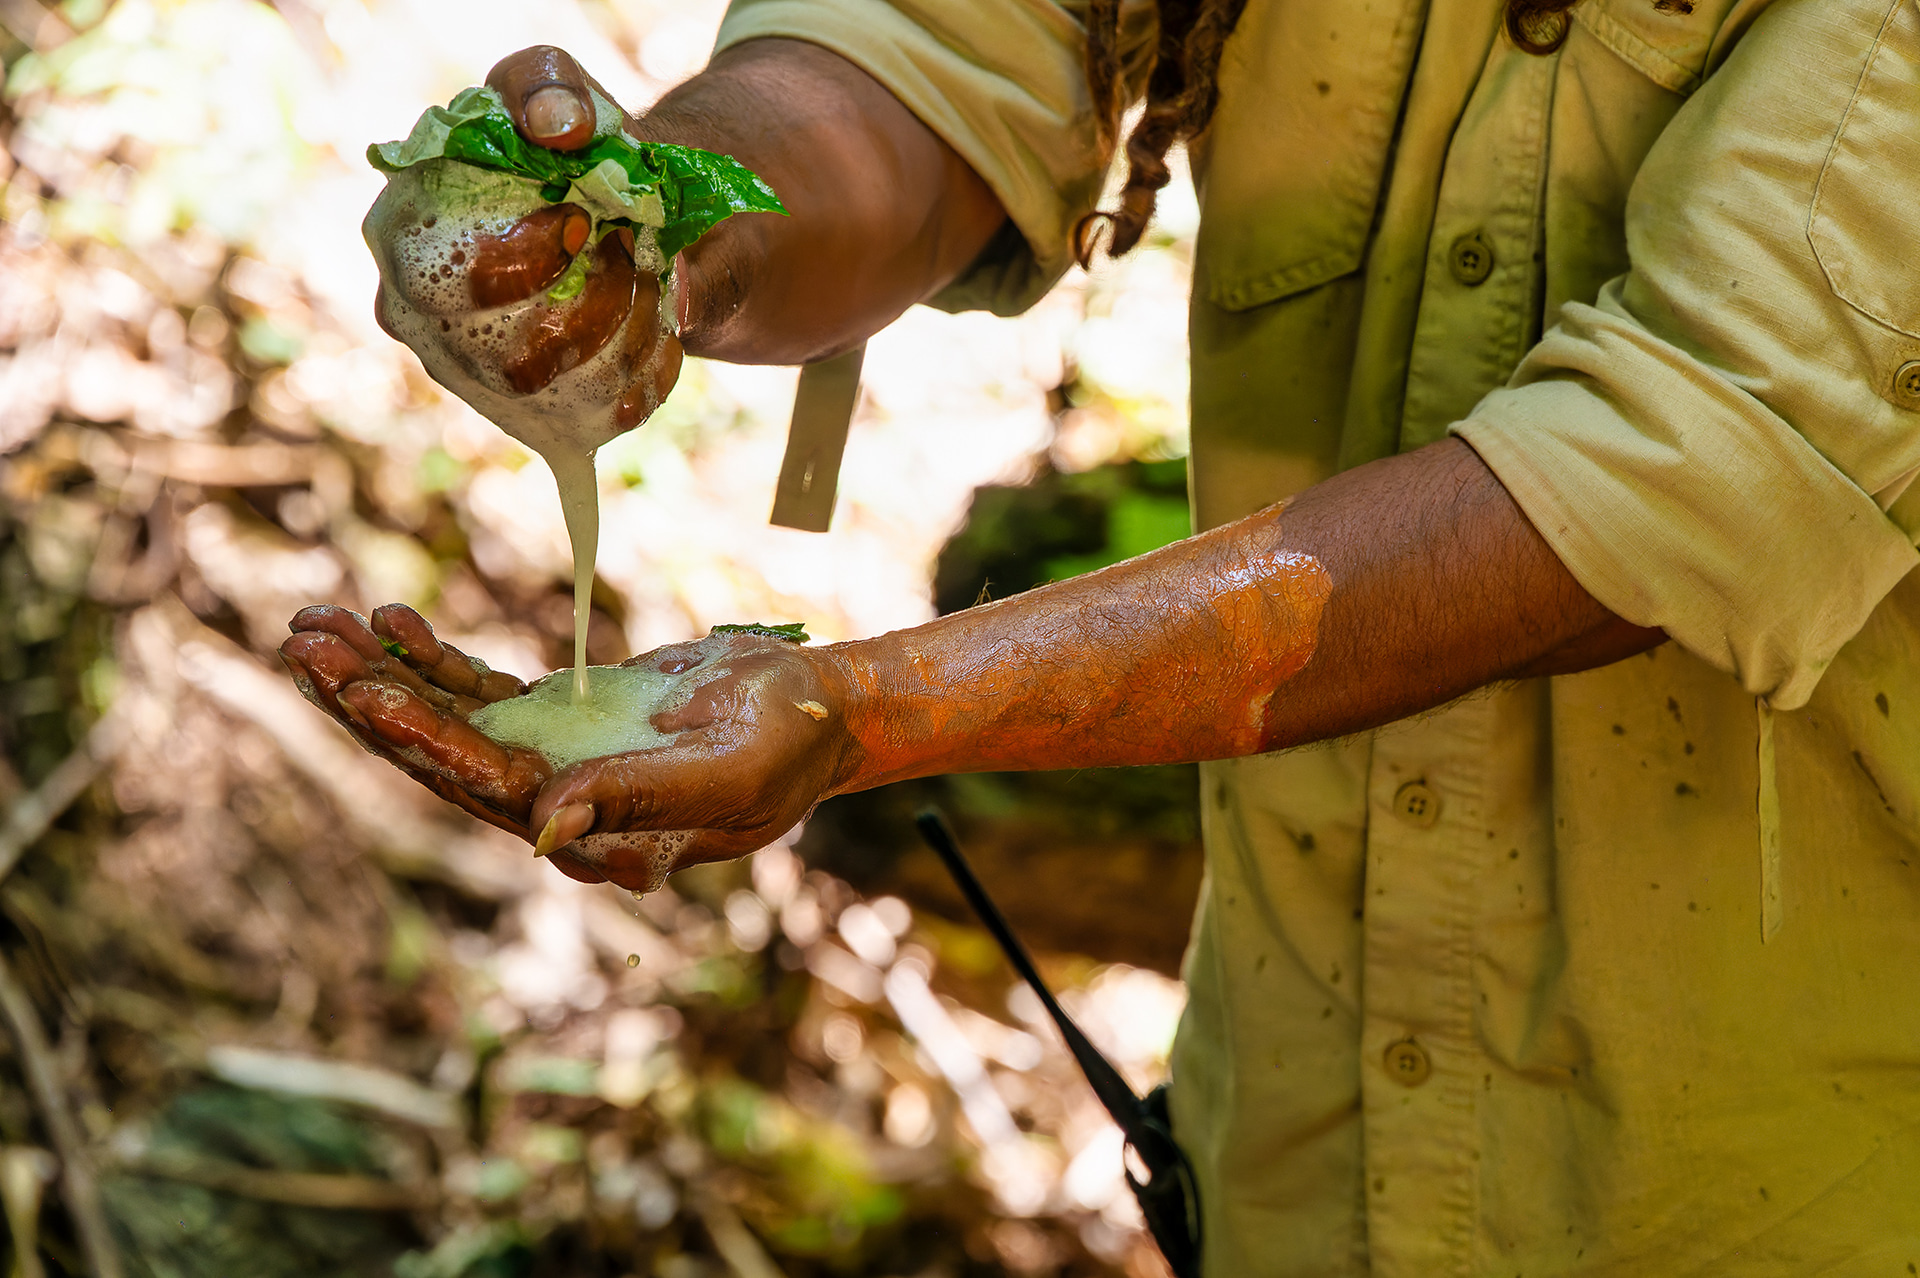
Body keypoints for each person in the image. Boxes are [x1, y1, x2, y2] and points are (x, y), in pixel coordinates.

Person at [280, 0, 1920, 1271]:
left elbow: (1692, 460)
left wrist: (869, 708)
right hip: (1299, 1151)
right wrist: (645, 213)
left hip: (1792, 1182)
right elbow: (937, 51)